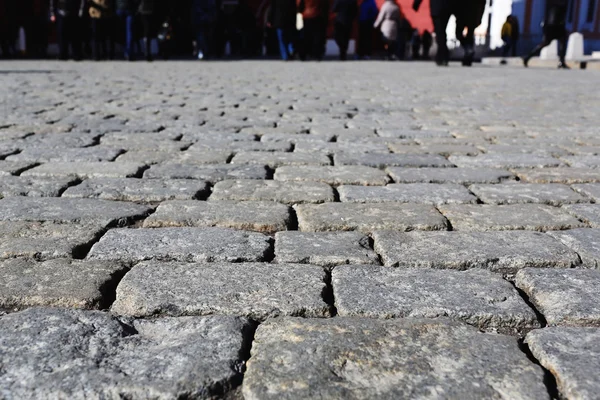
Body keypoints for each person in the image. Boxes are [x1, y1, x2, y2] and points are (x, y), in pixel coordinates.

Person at [523, 0, 569, 69]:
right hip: (554, 26)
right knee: (546, 43)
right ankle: (528, 57)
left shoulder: (560, 4)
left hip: (555, 26)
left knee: (562, 42)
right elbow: (553, 16)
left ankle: (561, 61)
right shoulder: (557, 5)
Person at [413, 0, 454, 66]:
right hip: (447, 8)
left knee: (440, 32)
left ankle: (442, 56)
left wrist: (416, 4)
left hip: (437, 8)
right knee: (442, 31)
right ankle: (442, 55)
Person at [454, 0, 485, 66]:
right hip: (473, 15)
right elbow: (482, 4)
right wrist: (479, 18)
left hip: (462, 15)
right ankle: (468, 53)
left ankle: (467, 50)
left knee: (458, 33)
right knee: (469, 35)